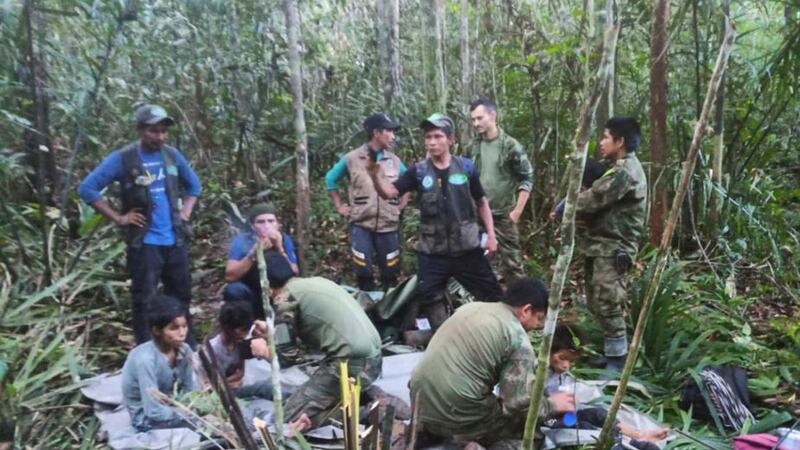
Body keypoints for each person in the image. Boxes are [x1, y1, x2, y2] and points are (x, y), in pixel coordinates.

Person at [367, 113, 503, 333]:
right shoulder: (418, 172)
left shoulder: (466, 168)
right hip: (433, 251)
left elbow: (481, 202)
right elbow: (389, 192)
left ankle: (498, 335)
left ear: (450, 140)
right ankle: (445, 337)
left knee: (492, 295)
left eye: (438, 136)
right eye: (428, 137)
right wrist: (374, 175)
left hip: (467, 248)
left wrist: (491, 236)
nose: (432, 142)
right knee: (430, 297)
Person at [78, 104, 202, 345]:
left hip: (175, 240)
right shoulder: (123, 159)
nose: (160, 136)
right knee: (144, 299)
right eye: (153, 131)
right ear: (139, 129)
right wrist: (119, 218)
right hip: (145, 243)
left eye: (163, 131)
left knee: (181, 297)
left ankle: (188, 350)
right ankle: (147, 351)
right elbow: (87, 188)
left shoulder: (171, 156)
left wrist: (185, 212)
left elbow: (194, 186)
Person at [409, 277, 575, 448]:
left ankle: (434, 432)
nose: (537, 326)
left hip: (419, 403)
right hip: (456, 414)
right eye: (539, 319)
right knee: (531, 434)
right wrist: (553, 404)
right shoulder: (517, 338)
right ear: (526, 310)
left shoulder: (471, 308)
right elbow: (518, 405)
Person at [250, 251, 383, 432]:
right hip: (374, 359)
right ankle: (365, 396)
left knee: (288, 419)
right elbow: (315, 334)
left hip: (350, 364)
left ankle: (368, 412)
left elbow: (287, 358)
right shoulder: (315, 283)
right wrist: (272, 334)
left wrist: (264, 350)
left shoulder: (285, 299)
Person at [573, 117, 647, 375]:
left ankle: (618, 361)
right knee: (596, 301)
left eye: (605, 137)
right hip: (601, 245)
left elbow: (592, 199)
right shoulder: (615, 167)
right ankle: (611, 353)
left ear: (620, 141)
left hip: (614, 248)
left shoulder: (624, 172)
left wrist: (566, 206)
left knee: (608, 302)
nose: (601, 142)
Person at [544, 325, 669, 448]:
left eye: (571, 361)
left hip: (564, 415)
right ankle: (625, 443)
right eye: (562, 358)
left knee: (599, 414)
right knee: (583, 427)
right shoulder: (536, 373)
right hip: (548, 421)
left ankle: (638, 435)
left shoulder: (559, 374)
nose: (566, 366)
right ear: (548, 350)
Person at [325, 113, 410, 291]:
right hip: (361, 224)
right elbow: (330, 179)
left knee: (391, 269)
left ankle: (390, 308)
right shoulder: (352, 158)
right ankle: (367, 305)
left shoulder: (394, 161)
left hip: (388, 225)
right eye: (389, 131)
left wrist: (401, 204)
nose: (393, 136)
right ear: (376, 133)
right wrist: (339, 205)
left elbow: (408, 181)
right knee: (363, 269)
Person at [468, 97, 534, 283]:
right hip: (478, 216)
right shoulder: (473, 146)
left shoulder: (511, 146)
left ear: (493, 115)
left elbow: (527, 177)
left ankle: (521, 306)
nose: (476, 123)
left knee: (512, 265)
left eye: (480, 118)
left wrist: (517, 212)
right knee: (479, 265)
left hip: (504, 216)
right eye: (473, 119)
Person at [121, 295, 198, 431]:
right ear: (156, 330)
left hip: (174, 404)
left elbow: (190, 389)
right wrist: (187, 414)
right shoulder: (146, 360)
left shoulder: (184, 350)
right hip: (146, 416)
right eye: (174, 328)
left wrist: (195, 405)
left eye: (184, 326)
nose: (182, 333)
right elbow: (153, 411)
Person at [224, 203, 299, 319]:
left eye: (270, 221)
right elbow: (230, 276)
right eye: (261, 222)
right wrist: (253, 254)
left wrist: (280, 248)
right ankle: (245, 327)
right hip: (253, 292)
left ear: (277, 224)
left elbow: (295, 272)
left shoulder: (284, 239)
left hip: (279, 293)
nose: (266, 225)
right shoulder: (243, 241)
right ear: (253, 226)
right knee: (234, 290)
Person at [196, 301, 273, 400]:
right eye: (243, 330)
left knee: (267, 385)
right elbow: (208, 386)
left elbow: (241, 373)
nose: (245, 334)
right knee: (261, 388)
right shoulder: (212, 350)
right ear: (228, 328)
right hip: (220, 395)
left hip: (234, 386)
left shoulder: (240, 342)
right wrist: (227, 384)